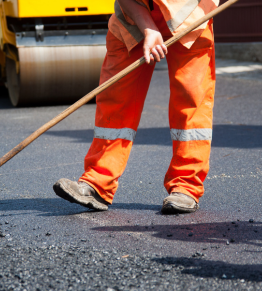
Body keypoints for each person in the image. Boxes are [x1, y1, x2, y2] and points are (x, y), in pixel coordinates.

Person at [53, 0, 219, 214]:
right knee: (115, 97)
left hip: (190, 16)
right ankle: (98, 183)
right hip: (132, 17)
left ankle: (186, 186)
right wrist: (148, 28)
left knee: (191, 99)